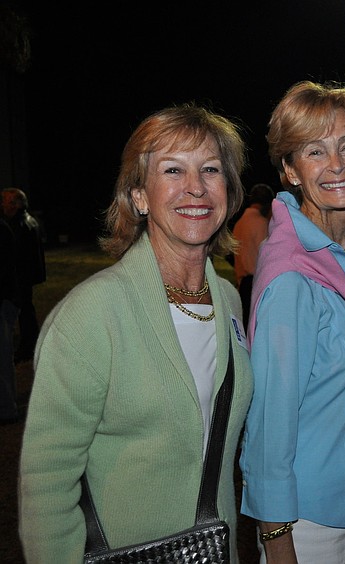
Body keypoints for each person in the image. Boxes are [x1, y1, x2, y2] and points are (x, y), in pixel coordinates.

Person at [18, 103, 254, 561]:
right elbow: (47, 482)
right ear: (140, 196)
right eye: (172, 170)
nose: (195, 188)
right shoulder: (92, 314)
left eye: (210, 169)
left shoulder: (227, 299)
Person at [239, 80, 345, 564]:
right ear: (289, 170)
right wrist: (277, 537)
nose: (336, 164)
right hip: (307, 522)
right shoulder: (293, 276)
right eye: (314, 151)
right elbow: (268, 420)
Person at [1, 187, 46, 364]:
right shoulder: (28, 221)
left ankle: (28, 346)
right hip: (27, 275)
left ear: (14, 204)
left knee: (24, 312)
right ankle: (31, 343)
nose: (2, 204)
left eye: (4, 200)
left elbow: (13, 256)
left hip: (21, 276)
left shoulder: (18, 224)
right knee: (27, 310)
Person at [233, 182, 275, 326]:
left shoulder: (239, 223)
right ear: (267, 205)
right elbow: (268, 259)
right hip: (256, 283)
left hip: (242, 284)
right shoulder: (261, 223)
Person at [0, 219, 20, 424]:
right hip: (7, 298)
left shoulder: (3, 229)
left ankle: (7, 408)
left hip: (4, 300)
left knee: (3, 357)